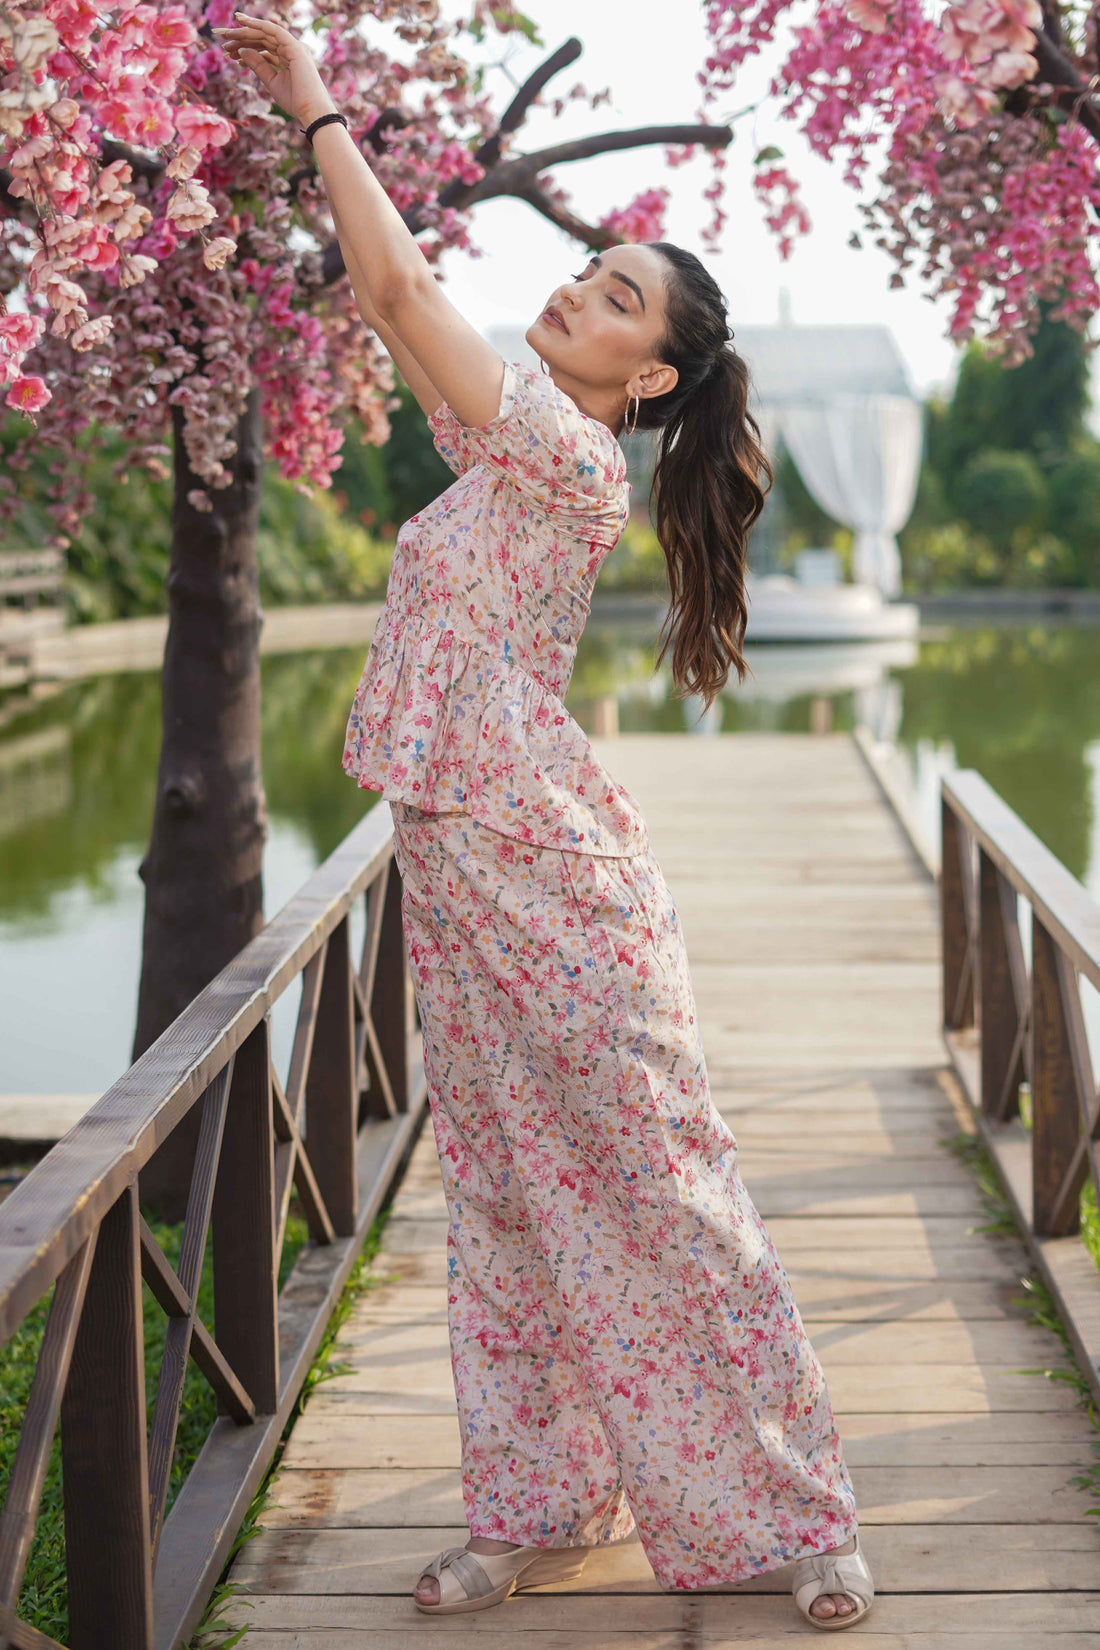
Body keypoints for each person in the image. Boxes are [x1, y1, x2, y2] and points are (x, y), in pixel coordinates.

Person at [216, 12, 875, 1632]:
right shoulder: (506, 445)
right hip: (461, 865)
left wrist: (313, 102)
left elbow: (393, 291)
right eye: (597, 268)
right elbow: (401, 313)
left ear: (644, 376)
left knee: (660, 1184)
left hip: (558, 886)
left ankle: (804, 1515)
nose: (585, 283)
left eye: (621, 296)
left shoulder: (565, 458)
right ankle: (533, 1507)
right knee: (507, 1196)